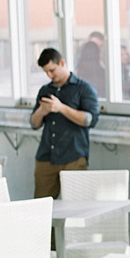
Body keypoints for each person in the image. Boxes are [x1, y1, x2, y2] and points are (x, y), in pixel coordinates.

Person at [29, 47, 100, 199]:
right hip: (46, 157)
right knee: (41, 206)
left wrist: (60, 108)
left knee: (75, 206)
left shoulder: (84, 88)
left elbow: (90, 120)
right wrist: (41, 111)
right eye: (46, 72)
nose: (50, 75)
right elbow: (34, 124)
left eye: (52, 70)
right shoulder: (44, 90)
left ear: (62, 63)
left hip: (74, 157)